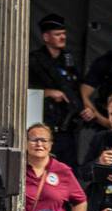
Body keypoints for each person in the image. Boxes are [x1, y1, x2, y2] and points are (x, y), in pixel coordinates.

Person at [28, 13, 88, 169]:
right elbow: (23, 89)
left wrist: (85, 107)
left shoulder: (68, 58)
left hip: (67, 126)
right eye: (57, 34)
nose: (62, 37)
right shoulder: (35, 60)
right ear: (46, 37)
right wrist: (48, 93)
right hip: (45, 126)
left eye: (64, 34)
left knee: (69, 169)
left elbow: (77, 86)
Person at [20, 121, 86, 211]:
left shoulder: (63, 171)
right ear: (25, 143)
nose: (39, 144)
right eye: (34, 140)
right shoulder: (16, 169)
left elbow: (80, 202)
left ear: (50, 145)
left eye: (44, 140)